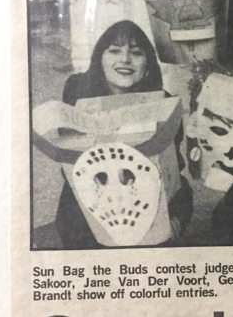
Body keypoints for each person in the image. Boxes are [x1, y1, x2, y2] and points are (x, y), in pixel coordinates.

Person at [56, 20, 193, 248]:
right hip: (91, 201)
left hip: (147, 201)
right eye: (115, 50)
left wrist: (175, 214)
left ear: (148, 65)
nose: (125, 59)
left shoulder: (164, 103)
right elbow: (71, 166)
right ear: (100, 59)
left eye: (137, 53)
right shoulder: (77, 91)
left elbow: (173, 169)